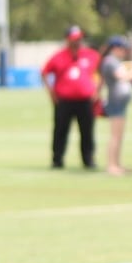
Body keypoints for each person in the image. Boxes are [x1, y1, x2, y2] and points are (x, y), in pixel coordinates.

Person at [40, 26, 102, 170]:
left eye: (79, 39)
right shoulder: (58, 56)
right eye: (74, 39)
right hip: (64, 100)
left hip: (86, 100)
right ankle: (57, 159)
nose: (77, 42)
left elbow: (100, 72)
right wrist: (51, 92)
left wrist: (97, 90)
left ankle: (88, 159)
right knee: (60, 130)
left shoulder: (91, 55)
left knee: (87, 131)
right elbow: (44, 72)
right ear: (67, 40)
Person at [99, 36, 132, 175]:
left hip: (120, 102)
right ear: (115, 48)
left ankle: (117, 163)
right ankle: (111, 165)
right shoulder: (110, 61)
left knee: (119, 135)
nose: (124, 51)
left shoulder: (115, 61)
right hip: (115, 101)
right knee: (115, 136)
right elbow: (123, 77)